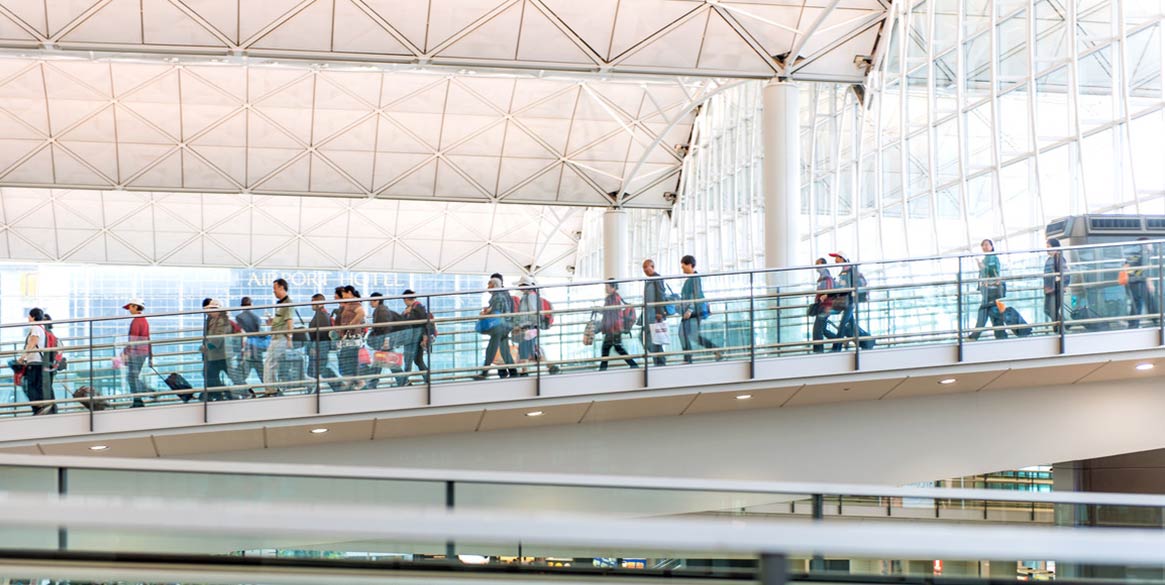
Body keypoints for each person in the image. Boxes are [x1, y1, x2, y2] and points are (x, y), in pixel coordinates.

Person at [678, 255, 721, 363]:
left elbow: (696, 295)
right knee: (693, 336)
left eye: (683, 266)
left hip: (694, 312)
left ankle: (688, 358)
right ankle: (716, 350)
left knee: (683, 333)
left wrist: (689, 310)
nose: (682, 269)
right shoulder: (691, 279)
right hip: (693, 311)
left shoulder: (695, 278)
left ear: (689, 265)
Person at [474, 277, 517, 379]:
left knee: (491, 349)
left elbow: (496, 313)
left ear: (493, 285)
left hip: (499, 327)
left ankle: (484, 372)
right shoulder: (503, 294)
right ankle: (513, 372)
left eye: (489, 284)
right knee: (504, 350)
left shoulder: (497, 296)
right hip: (506, 326)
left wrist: (485, 314)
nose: (488, 287)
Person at [17, 308, 53, 415]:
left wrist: (23, 357)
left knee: (31, 386)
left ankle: (39, 408)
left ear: (33, 317)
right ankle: (40, 408)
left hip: (35, 362)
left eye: (29, 316)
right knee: (35, 386)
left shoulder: (36, 327)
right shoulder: (40, 327)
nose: (28, 318)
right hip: (38, 362)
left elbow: (32, 343)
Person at [969, 239, 1007, 340]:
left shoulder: (992, 258)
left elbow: (992, 271)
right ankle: (1001, 336)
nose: (984, 247)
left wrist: (981, 266)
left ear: (991, 246)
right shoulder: (987, 258)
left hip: (991, 291)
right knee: (994, 315)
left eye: (986, 245)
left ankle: (974, 336)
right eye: (983, 245)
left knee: (984, 312)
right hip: (990, 291)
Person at [263, 278, 293, 394]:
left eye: (275, 288)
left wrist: (289, 339)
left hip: (281, 338)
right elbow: (281, 321)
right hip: (276, 337)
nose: (274, 291)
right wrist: (271, 322)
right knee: (272, 363)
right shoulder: (280, 304)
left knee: (269, 362)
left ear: (281, 287)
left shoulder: (288, 303)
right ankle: (272, 388)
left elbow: (290, 322)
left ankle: (270, 389)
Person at [599, 280, 637, 371]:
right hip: (614, 327)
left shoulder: (614, 298)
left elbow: (612, 312)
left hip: (614, 328)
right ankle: (633, 364)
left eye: (607, 286)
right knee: (614, 348)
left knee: (608, 349)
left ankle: (602, 370)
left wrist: (600, 310)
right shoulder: (614, 297)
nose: (606, 288)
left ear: (613, 287)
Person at [120, 298, 151, 408]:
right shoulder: (143, 320)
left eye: (131, 306)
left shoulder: (137, 321)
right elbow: (148, 339)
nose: (129, 309)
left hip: (137, 353)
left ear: (136, 307)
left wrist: (125, 353)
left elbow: (133, 341)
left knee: (132, 377)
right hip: (142, 352)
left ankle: (139, 399)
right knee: (133, 377)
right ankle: (145, 393)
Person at [397, 290, 432, 387]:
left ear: (407, 299)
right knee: (418, 360)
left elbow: (422, 322)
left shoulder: (417, 307)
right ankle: (427, 379)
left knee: (408, 360)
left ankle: (404, 382)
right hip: (415, 338)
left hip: (414, 338)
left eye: (404, 299)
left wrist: (425, 336)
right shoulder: (412, 308)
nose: (404, 301)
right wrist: (405, 313)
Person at [366, 292, 399, 389]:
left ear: (376, 301)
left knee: (390, 363)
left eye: (371, 301)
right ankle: (373, 383)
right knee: (380, 361)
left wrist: (386, 340)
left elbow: (385, 327)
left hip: (384, 341)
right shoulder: (380, 310)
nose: (370, 303)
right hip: (383, 340)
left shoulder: (381, 311)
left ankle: (403, 380)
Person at [337, 285, 367, 390]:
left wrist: (350, 325)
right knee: (349, 360)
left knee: (348, 359)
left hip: (352, 338)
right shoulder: (350, 303)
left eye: (344, 294)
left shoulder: (354, 303)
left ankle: (355, 381)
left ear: (349, 292)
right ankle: (352, 381)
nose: (343, 297)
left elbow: (361, 313)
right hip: (350, 338)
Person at [202, 299, 233, 401]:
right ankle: (220, 394)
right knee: (211, 374)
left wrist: (207, 347)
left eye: (211, 309)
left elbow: (218, 338)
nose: (209, 311)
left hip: (220, 354)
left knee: (211, 374)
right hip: (216, 355)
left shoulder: (222, 321)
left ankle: (222, 394)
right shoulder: (213, 320)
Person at [828, 253, 859, 351]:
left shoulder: (850, 270)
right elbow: (843, 285)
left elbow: (848, 287)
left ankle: (836, 348)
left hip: (849, 302)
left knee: (842, 325)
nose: (835, 259)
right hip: (846, 301)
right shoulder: (843, 271)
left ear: (842, 258)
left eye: (837, 257)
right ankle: (865, 341)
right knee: (852, 325)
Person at [1123, 237, 1155, 329]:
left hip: (1133, 281)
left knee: (1138, 302)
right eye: (1150, 244)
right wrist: (1149, 282)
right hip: (1137, 281)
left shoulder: (1135, 254)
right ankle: (1135, 324)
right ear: (1144, 245)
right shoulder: (1143, 254)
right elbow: (1145, 269)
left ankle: (1134, 324)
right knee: (1140, 302)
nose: (1152, 246)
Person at [641, 259, 668, 366]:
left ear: (652, 266)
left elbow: (661, 294)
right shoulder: (650, 279)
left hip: (655, 314)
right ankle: (658, 360)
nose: (644, 270)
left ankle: (660, 361)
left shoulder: (657, 278)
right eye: (643, 267)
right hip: (649, 313)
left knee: (654, 337)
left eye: (646, 267)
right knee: (653, 337)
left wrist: (659, 312)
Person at [513, 277, 542, 376]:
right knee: (526, 348)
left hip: (528, 326)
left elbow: (533, 310)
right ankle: (525, 370)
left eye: (520, 285)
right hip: (527, 325)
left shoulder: (530, 296)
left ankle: (525, 371)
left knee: (525, 348)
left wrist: (532, 325)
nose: (519, 287)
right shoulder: (527, 295)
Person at [236, 296, 267, 383]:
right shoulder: (256, 318)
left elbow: (240, 333)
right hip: (257, 348)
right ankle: (272, 389)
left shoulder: (239, 317)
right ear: (251, 304)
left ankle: (245, 390)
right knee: (261, 371)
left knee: (242, 373)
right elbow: (260, 333)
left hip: (247, 348)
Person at [1044, 238, 1071, 334]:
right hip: (1050, 289)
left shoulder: (1059, 258)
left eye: (1049, 247)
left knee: (1052, 309)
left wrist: (1060, 280)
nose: (1047, 249)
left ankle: (1059, 328)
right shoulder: (1050, 259)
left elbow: (1065, 273)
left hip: (1056, 288)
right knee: (1048, 309)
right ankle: (1064, 324)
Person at [810, 258, 835, 353]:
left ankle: (818, 352)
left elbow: (831, 291)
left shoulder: (827, 278)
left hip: (825, 307)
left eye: (818, 264)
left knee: (817, 330)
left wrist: (825, 296)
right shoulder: (822, 278)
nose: (816, 266)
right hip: (822, 306)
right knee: (823, 329)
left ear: (823, 265)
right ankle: (839, 341)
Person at [307, 293, 332, 379]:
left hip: (319, 347)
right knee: (316, 371)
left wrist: (314, 347)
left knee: (316, 371)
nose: (311, 304)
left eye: (313, 301)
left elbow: (320, 333)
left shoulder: (321, 316)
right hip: (320, 346)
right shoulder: (322, 314)